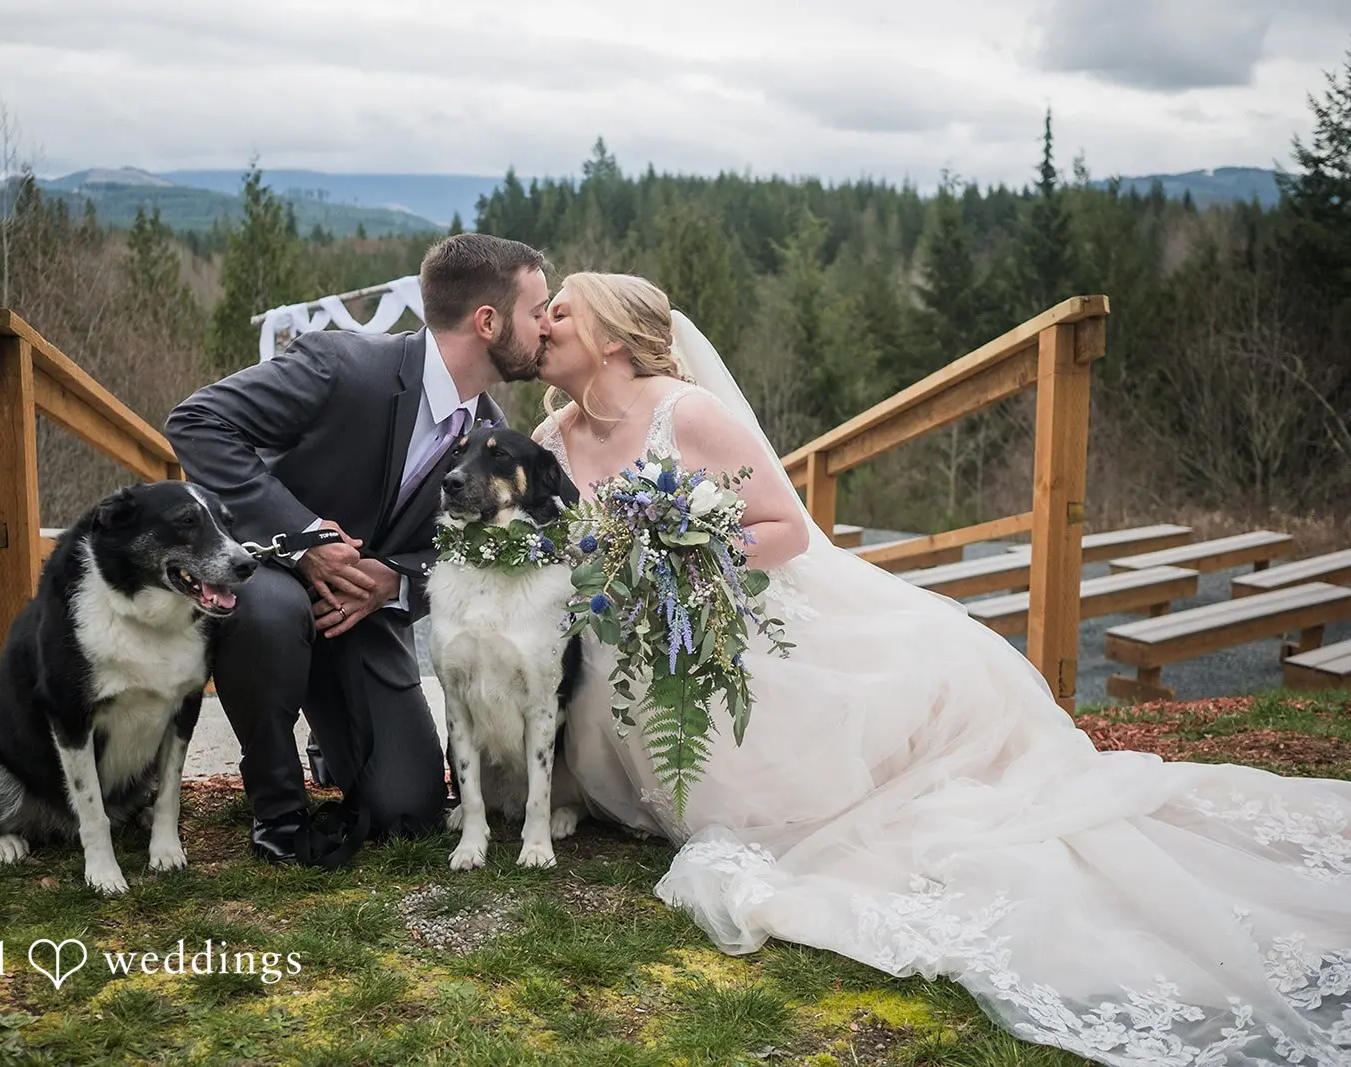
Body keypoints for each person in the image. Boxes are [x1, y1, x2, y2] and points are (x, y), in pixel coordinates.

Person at [532, 271, 1351, 1067]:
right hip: (631, 658)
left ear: (609, 337)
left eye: (560, 313)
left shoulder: (689, 415)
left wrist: (681, 558)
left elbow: (786, 527)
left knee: (813, 807)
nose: (544, 324)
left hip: (738, 633)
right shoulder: (547, 438)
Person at [164, 233, 549, 867]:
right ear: (488, 321)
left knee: (410, 811)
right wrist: (306, 535)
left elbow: (471, 556)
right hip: (270, 574)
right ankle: (277, 806)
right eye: (537, 312)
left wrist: (392, 584)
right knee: (267, 613)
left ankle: (333, 735)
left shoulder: (488, 436)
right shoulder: (343, 364)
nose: (545, 327)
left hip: (362, 617)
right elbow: (198, 422)